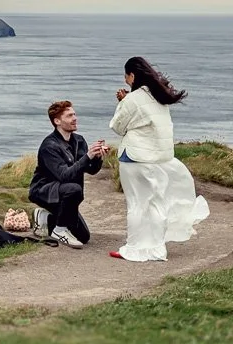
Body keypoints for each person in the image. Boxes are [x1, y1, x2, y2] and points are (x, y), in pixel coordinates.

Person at [107, 56, 209, 261]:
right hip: (157, 158)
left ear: (132, 75)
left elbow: (117, 127)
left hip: (134, 157)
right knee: (155, 203)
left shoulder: (132, 99)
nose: (126, 80)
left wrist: (123, 102)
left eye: (126, 76)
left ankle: (135, 247)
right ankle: (156, 247)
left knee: (136, 204)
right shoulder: (159, 97)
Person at [27, 100, 107, 250]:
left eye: (74, 114)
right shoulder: (49, 146)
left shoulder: (79, 140)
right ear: (57, 121)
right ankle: (59, 230)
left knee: (83, 237)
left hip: (66, 192)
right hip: (44, 191)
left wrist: (97, 157)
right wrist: (87, 156)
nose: (75, 118)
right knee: (73, 189)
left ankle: (44, 217)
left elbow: (91, 170)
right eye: (69, 116)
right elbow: (64, 175)